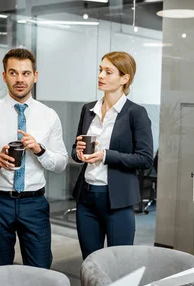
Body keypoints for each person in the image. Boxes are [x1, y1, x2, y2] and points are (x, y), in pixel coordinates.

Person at [0, 48, 68, 268]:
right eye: (13, 73)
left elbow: (61, 163)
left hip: (34, 203)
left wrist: (40, 150)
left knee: (41, 268)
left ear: (35, 76)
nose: (20, 79)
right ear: (4, 75)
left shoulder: (49, 115)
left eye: (26, 73)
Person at [71, 51, 153, 260]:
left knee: (119, 263)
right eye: (100, 70)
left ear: (124, 79)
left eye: (108, 72)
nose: (101, 75)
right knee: (90, 262)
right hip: (86, 197)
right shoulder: (88, 109)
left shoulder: (136, 113)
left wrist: (106, 155)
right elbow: (75, 150)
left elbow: (145, 159)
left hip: (117, 199)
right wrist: (79, 154)